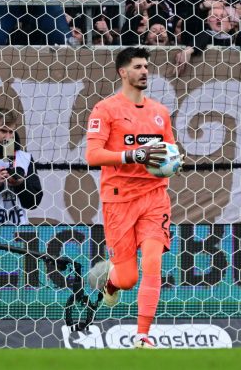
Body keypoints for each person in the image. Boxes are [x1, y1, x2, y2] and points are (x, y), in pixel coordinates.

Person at [85, 47, 176, 349]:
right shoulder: (105, 110)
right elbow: (93, 155)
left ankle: (143, 336)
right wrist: (132, 154)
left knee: (152, 261)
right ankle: (111, 279)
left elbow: (170, 154)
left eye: (147, 66)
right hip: (119, 199)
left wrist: (171, 163)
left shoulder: (160, 113)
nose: (145, 71)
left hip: (154, 196)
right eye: (138, 66)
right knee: (127, 279)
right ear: (123, 72)